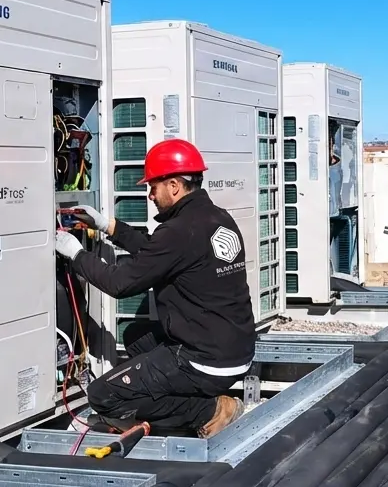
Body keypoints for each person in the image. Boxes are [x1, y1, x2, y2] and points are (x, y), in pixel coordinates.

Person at [53, 138, 256, 439]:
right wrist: (107, 225)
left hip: (205, 359)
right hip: (235, 348)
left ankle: (211, 410)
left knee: (102, 396)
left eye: (153, 186)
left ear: (174, 185)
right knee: (136, 337)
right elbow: (157, 253)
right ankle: (182, 398)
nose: (150, 194)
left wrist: (76, 254)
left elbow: (119, 284)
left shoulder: (178, 230)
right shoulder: (215, 217)